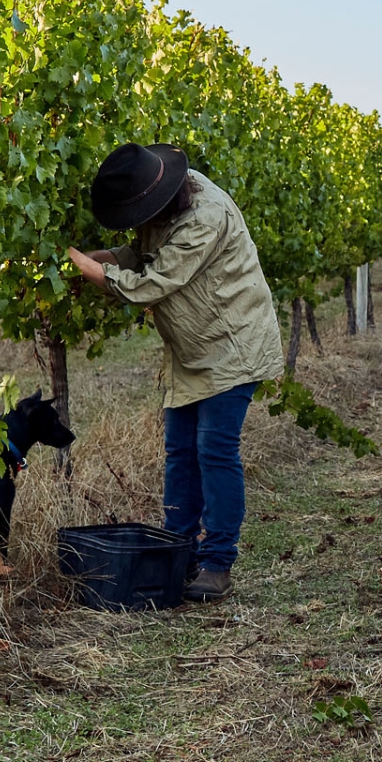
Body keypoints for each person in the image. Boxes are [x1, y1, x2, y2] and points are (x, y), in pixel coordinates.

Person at [66, 142, 284, 603]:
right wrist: (101, 256)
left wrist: (88, 270)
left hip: (233, 344)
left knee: (214, 450)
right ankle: (178, 553)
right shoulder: (163, 198)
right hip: (192, 348)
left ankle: (217, 563)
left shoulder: (205, 218)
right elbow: (136, 254)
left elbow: (150, 284)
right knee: (179, 451)